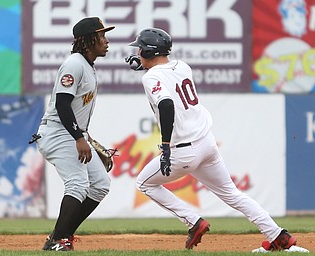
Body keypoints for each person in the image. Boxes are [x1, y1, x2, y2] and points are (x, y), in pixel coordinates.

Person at [125, 28, 309, 252]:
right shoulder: (182, 66)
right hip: (206, 143)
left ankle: (193, 221)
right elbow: (165, 75)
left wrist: (164, 146)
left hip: (183, 150)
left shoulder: (150, 77)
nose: (138, 52)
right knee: (232, 194)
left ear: (147, 51)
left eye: (140, 49)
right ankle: (279, 236)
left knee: (144, 183)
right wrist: (145, 65)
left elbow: (165, 104)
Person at [33, 17, 115, 251]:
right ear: (88, 40)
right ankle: (58, 241)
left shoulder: (87, 65)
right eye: (101, 36)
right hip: (57, 133)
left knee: (99, 185)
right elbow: (62, 104)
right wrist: (79, 138)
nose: (106, 41)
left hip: (72, 132)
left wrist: (90, 141)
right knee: (77, 185)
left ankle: (61, 235)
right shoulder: (74, 64)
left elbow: (76, 113)